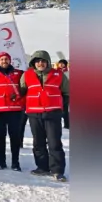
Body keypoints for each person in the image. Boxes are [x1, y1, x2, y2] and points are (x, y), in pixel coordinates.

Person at [20, 50, 69, 182]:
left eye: (43, 61)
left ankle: (57, 170)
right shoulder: (27, 75)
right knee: (38, 142)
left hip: (53, 113)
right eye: (37, 61)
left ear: (47, 62)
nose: (40, 63)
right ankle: (42, 167)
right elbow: (22, 91)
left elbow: (66, 92)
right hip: (34, 113)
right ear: (33, 63)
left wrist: (61, 108)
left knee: (54, 143)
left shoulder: (58, 75)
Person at [0, 52, 25, 171]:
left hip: (15, 111)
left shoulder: (19, 73)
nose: (4, 61)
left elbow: (25, 90)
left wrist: (22, 103)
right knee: (0, 136)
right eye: (1, 59)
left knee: (15, 137)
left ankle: (15, 162)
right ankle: (1, 161)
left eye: (6, 59)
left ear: (10, 60)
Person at [56, 59, 70, 129]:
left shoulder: (67, 73)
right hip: (57, 93)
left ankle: (67, 124)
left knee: (65, 109)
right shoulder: (56, 72)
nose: (61, 65)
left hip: (65, 93)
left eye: (62, 64)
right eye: (60, 63)